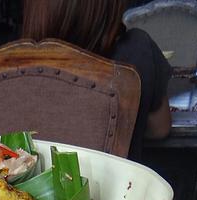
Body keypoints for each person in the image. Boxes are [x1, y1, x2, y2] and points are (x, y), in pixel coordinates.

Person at [21, 0, 172, 160]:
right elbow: (160, 129)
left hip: (11, 182)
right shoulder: (137, 49)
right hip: (117, 181)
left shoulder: (8, 62)